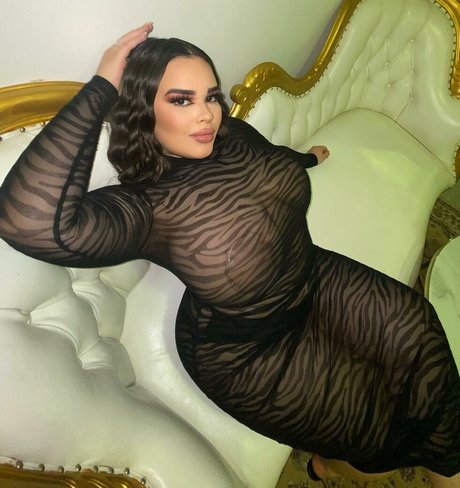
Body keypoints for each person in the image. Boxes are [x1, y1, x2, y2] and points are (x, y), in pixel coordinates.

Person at [0, 23, 458, 487]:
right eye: (181, 100)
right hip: (250, 353)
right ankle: (331, 465)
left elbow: (270, 159)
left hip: (314, 278)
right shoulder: (145, 208)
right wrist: (101, 87)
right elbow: (26, 222)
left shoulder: (228, 134)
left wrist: (306, 160)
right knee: (375, 431)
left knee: (420, 336)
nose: (206, 115)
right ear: (143, 110)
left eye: (211, 96)